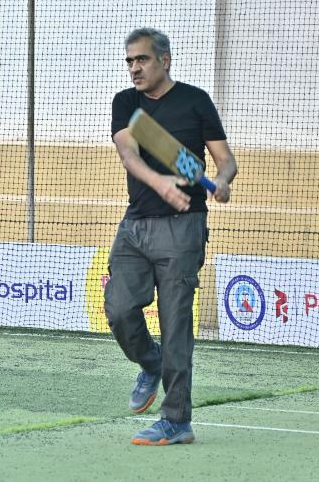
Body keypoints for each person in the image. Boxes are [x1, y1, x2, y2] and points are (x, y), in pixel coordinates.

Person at [104, 27, 237, 446]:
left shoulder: (196, 101)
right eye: (129, 61)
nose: (134, 68)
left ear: (165, 60)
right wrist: (160, 182)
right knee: (119, 310)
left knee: (175, 323)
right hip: (135, 226)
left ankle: (177, 420)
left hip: (183, 227)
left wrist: (223, 180)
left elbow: (225, 159)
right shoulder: (127, 103)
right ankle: (150, 362)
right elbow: (128, 153)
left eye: (142, 59)